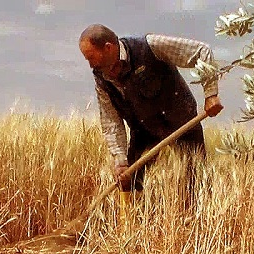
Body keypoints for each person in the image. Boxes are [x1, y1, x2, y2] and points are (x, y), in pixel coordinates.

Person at [78, 24, 223, 220]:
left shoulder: (150, 46)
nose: (90, 64)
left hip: (181, 121)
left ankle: (197, 222)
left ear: (108, 48)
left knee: (195, 179)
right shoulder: (101, 78)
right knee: (129, 180)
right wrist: (120, 161)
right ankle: (130, 226)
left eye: (91, 57)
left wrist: (211, 93)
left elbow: (201, 51)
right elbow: (111, 120)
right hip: (143, 129)